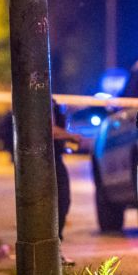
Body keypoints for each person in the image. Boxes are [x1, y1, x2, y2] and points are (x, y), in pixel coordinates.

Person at [51, 99, 82, 266]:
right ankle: (53, 253)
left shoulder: (48, 99)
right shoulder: (40, 97)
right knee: (60, 202)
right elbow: (47, 128)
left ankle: (54, 251)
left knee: (61, 202)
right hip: (49, 159)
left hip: (53, 157)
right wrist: (71, 136)